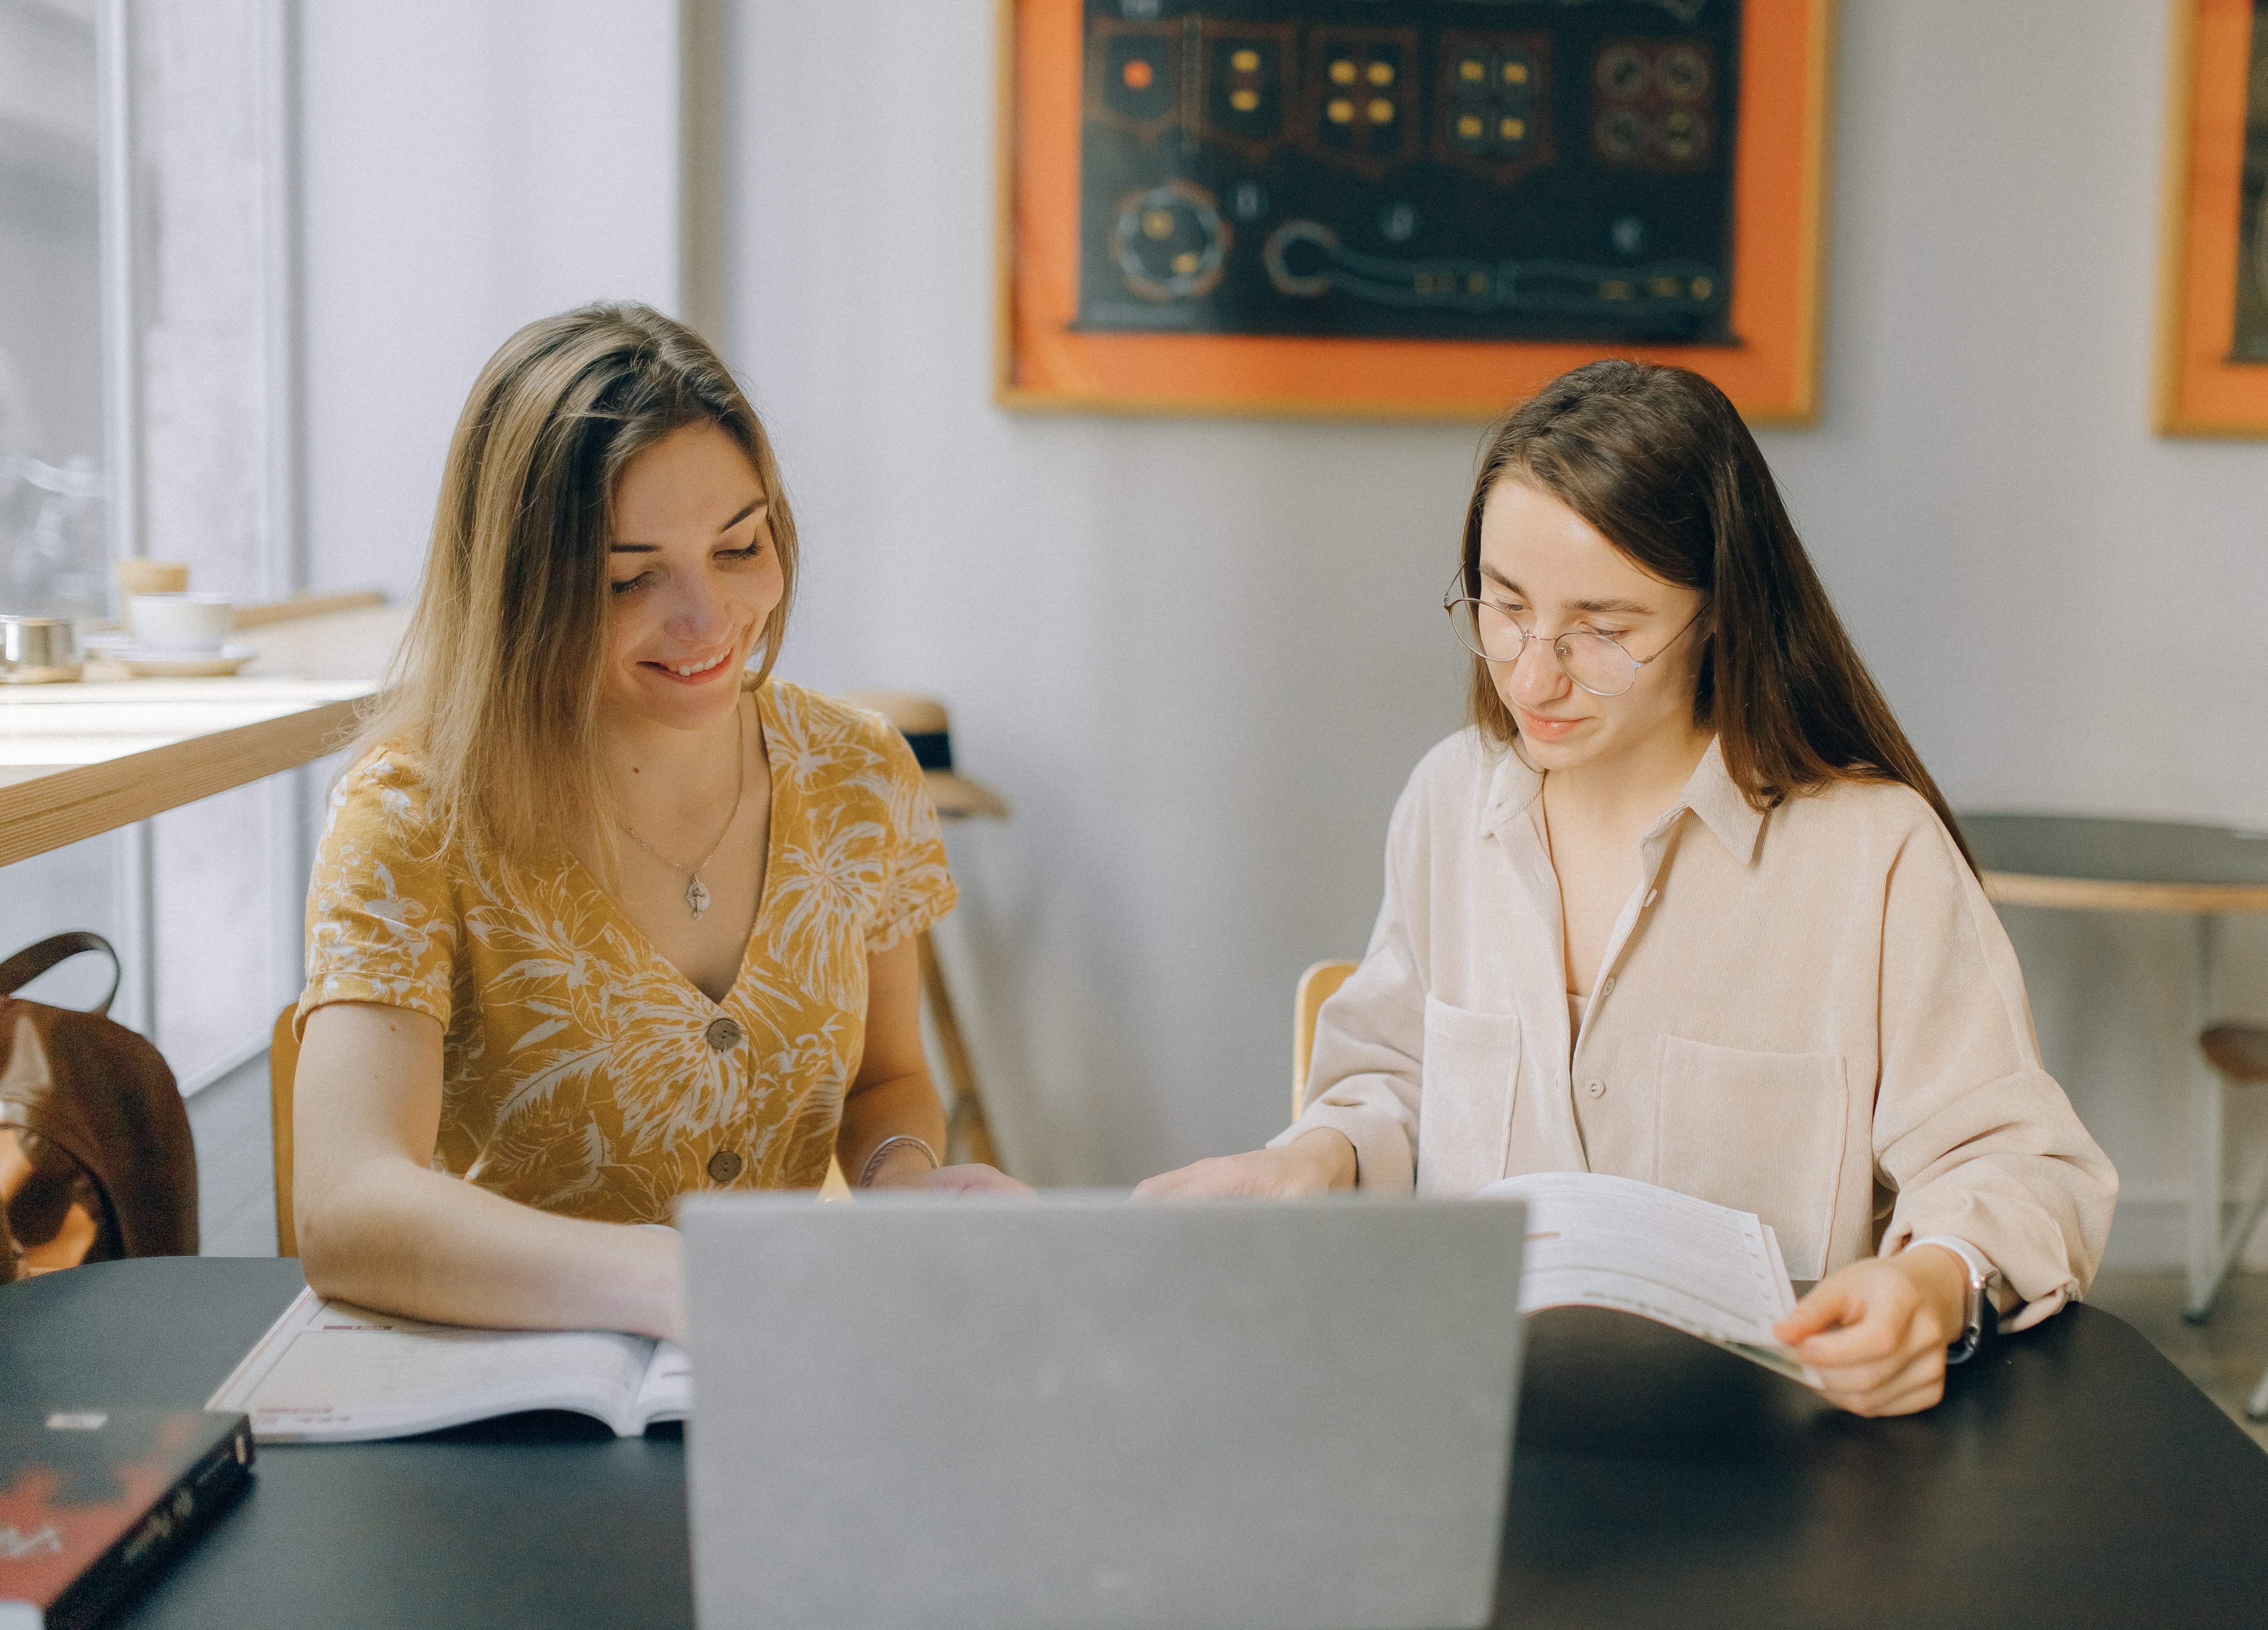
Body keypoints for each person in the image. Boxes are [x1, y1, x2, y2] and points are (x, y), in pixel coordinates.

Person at [1137, 360, 2116, 1417]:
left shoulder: (1871, 852)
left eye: (1604, 631)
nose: (1532, 677)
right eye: (1504, 607)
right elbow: (1398, 1086)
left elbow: (2023, 1164)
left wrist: (1931, 1284)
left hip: (1762, 1466)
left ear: (1721, 617)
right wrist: (1322, 1159)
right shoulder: (1449, 802)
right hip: (1469, 1418)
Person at [291, 304, 1023, 1340]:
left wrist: (903, 1181)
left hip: (761, 1361)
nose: (708, 620)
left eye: (739, 547)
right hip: (519, 1400)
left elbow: (888, 1082)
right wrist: (676, 1287)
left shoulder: (858, 774)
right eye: (632, 578)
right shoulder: (416, 815)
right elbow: (344, 1207)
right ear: (517, 589)